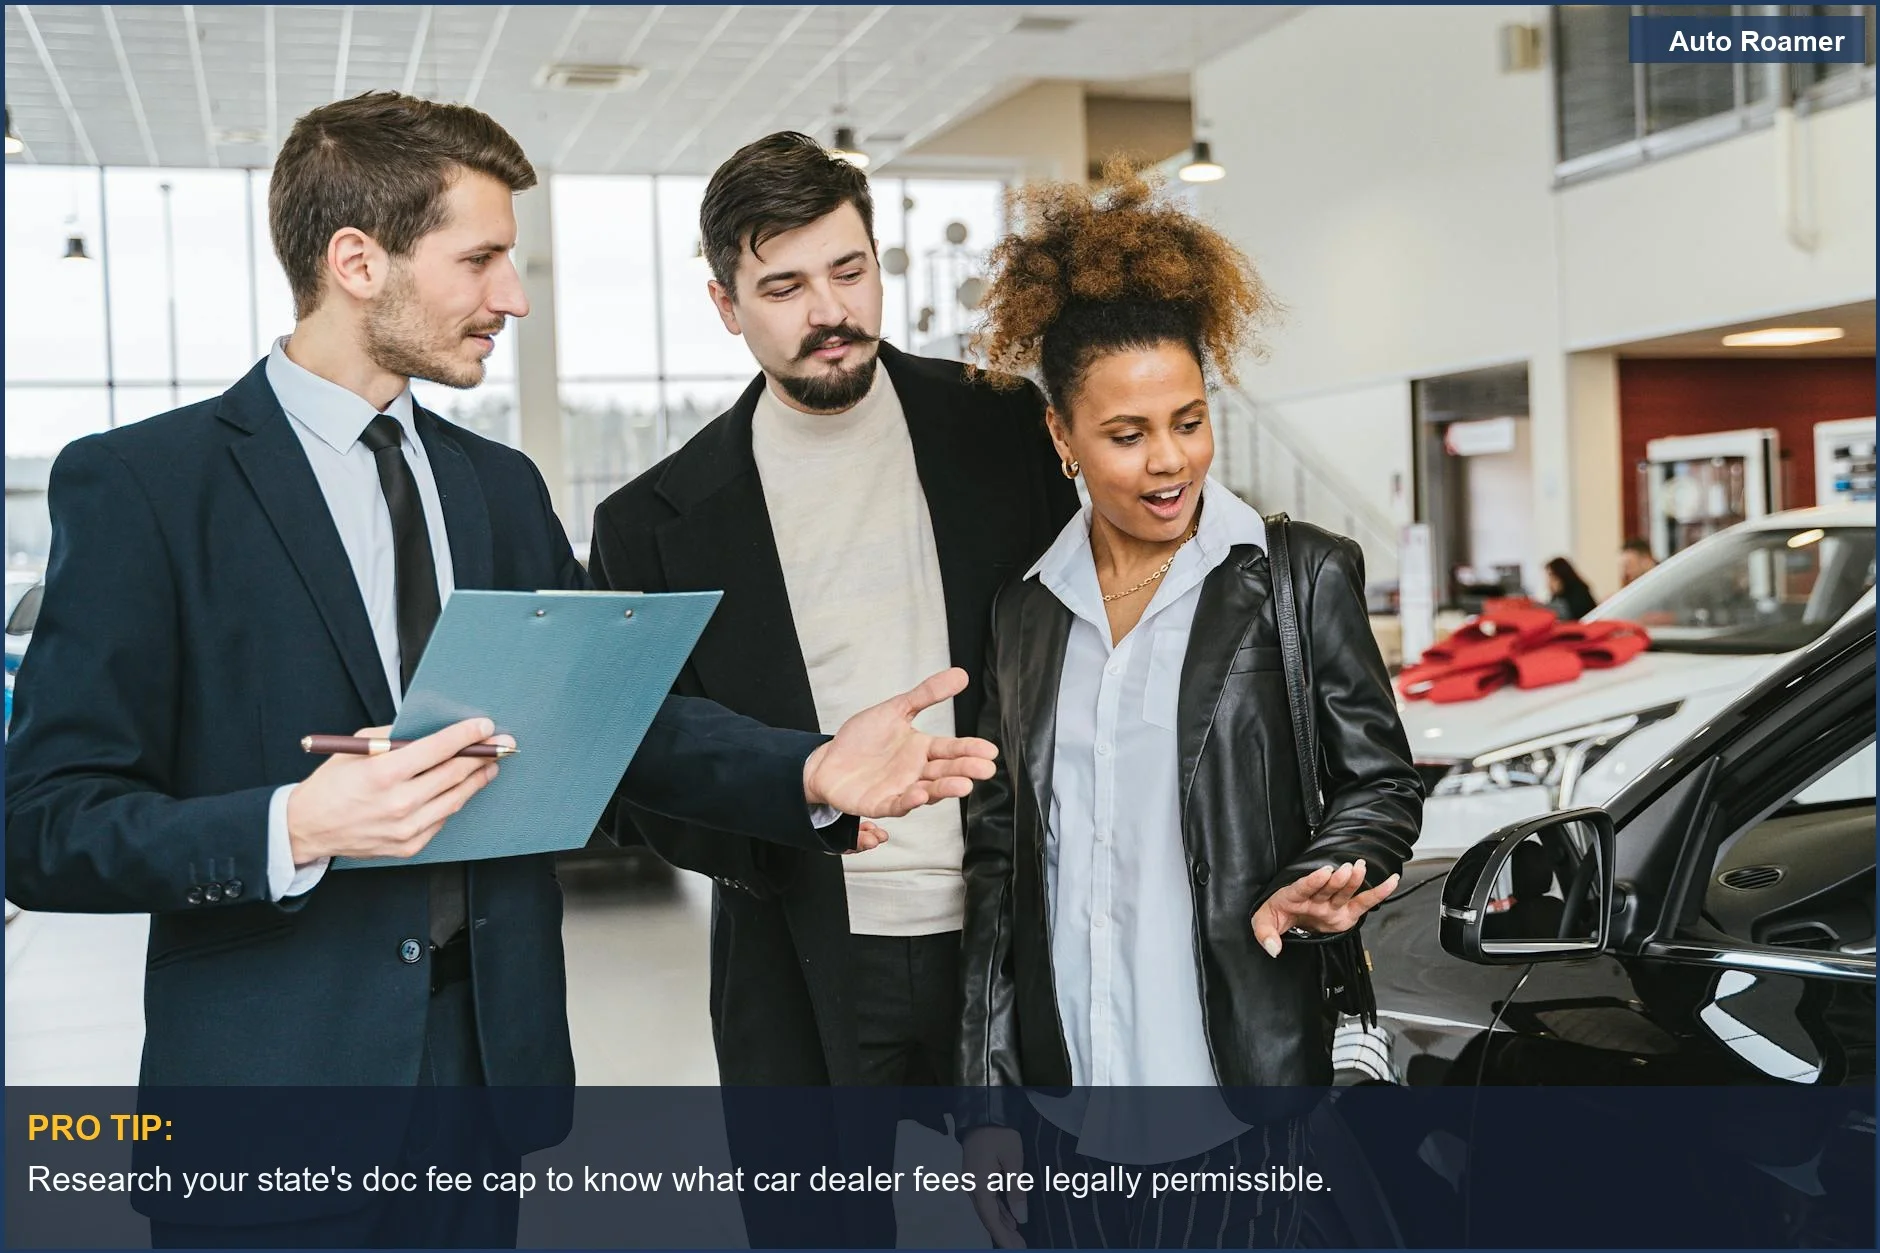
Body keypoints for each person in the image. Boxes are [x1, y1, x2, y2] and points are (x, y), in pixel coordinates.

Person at [3, 92, 1003, 1250]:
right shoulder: (145, 488)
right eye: (480, 259)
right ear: (356, 260)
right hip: (269, 1091)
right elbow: (44, 821)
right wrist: (294, 823)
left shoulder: (499, 488)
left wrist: (814, 770)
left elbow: (627, 722)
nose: (513, 297)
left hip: (485, 1080)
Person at [587, 130, 1077, 1246]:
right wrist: (808, 799)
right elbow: (637, 770)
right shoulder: (651, 525)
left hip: (1014, 940)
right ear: (725, 304)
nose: (830, 309)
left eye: (849, 270)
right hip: (797, 953)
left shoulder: (1007, 428)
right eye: (784, 285)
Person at [954, 167, 1424, 1249]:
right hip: (1063, 1104)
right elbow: (1000, 862)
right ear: (1060, 436)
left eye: (1189, 420)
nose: (1169, 461)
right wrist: (986, 1102)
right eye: (1125, 434)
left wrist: (1331, 868)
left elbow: (1378, 782)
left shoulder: (1297, 578)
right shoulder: (1024, 612)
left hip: (1242, 1096)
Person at [1544, 556, 1598, 620]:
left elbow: (1570, 615)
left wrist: (1558, 593)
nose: (1549, 580)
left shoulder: (1578, 589)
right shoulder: (1558, 595)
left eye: (1551, 575)